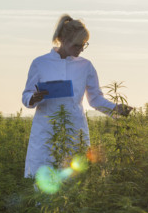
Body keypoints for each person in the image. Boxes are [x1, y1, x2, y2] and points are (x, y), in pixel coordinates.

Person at [22, 14, 132, 178]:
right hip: (46, 130)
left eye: (84, 45)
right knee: (44, 179)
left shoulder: (86, 66)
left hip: (75, 130)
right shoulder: (40, 63)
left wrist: (116, 109)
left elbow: (95, 99)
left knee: (73, 181)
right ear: (63, 40)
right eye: (76, 45)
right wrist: (34, 98)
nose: (80, 49)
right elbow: (26, 95)